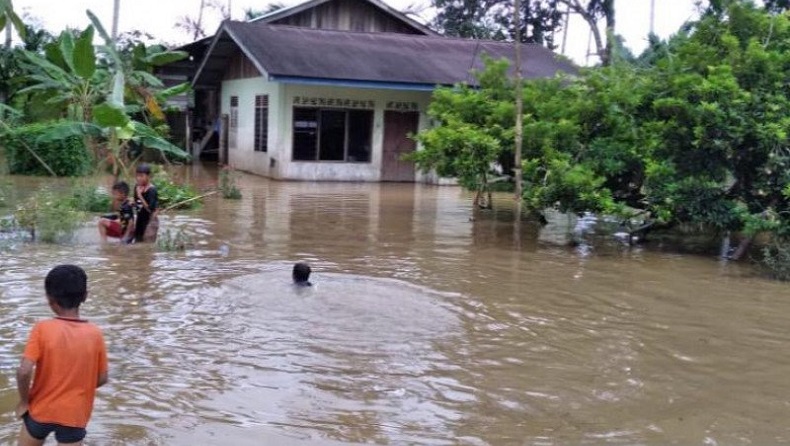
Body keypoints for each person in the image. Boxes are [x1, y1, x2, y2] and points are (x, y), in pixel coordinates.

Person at [16, 265, 108, 446]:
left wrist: (24, 402)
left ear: (50, 300)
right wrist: (77, 387)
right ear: (85, 296)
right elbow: (102, 378)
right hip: (74, 416)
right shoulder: (95, 333)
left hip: (40, 412)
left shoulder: (42, 328)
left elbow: (24, 372)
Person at [133, 164, 159, 243]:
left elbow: (150, 210)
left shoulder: (152, 190)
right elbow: (137, 203)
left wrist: (140, 196)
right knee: (137, 240)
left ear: (148, 176)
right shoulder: (137, 187)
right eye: (137, 176)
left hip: (150, 221)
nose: (138, 178)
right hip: (140, 219)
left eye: (141, 176)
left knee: (148, 244)